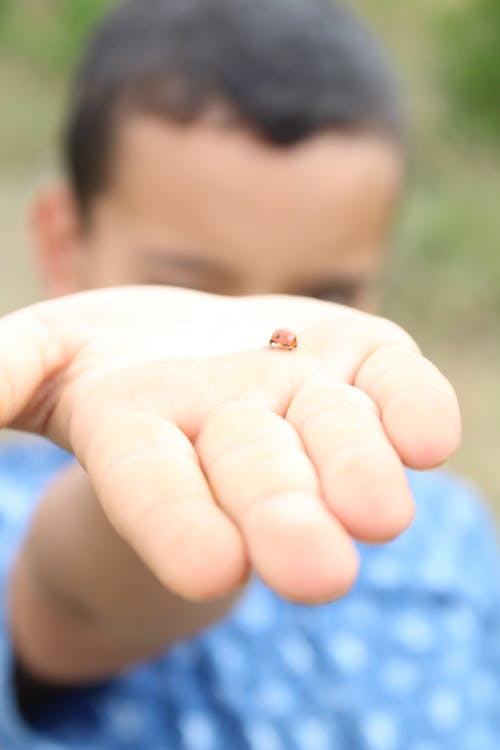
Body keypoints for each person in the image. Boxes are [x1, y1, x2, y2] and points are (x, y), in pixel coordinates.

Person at [0, 0, 498, 748]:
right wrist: (124, 507)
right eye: (194, 286)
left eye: (325, 293)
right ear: (66, 245)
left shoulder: (450, 533)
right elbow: (74, 600)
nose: (245, 328)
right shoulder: (18, 517)